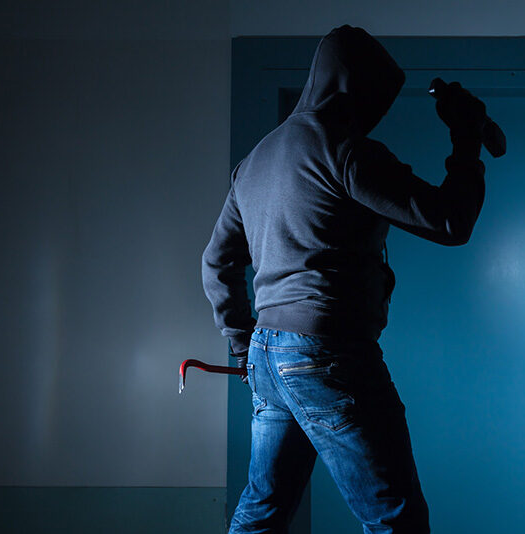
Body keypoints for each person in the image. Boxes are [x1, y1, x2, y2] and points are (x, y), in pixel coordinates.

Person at [202, 24, 488, 534]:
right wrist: (466, 140)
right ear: (357, 88)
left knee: (262, 512)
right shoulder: (346, 151)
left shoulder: (256, 160)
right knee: (395, 517)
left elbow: (216, 263)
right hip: (328, 352)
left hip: (268, 355)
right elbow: (450, 221)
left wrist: (243, 345)